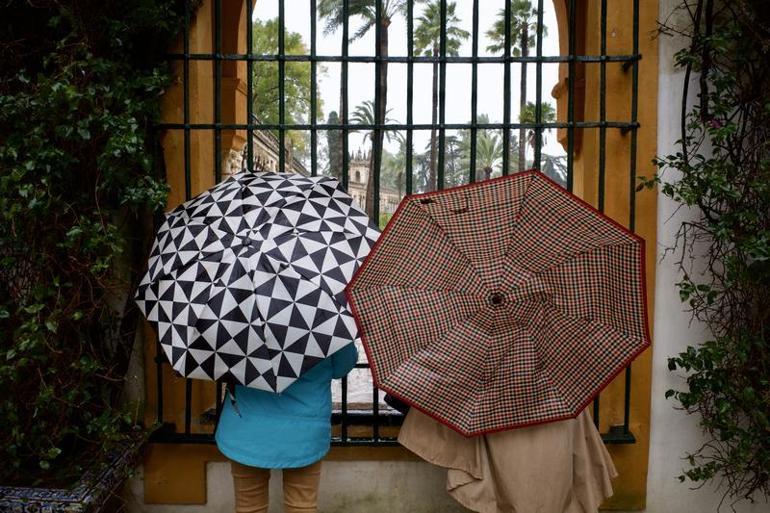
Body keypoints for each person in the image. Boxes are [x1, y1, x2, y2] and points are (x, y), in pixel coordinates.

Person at [215, 342, 358, 513]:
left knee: (249, 506)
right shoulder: (327, 322)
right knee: (302, 505)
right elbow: (342, 367)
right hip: (304, 430)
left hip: (245, 427)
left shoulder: (240, 320)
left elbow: (221, 361)